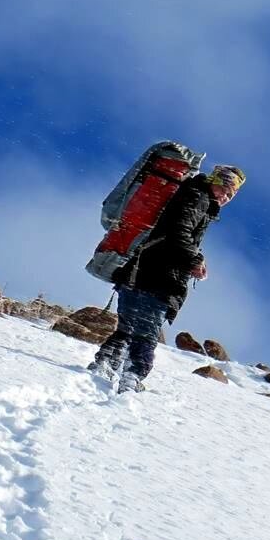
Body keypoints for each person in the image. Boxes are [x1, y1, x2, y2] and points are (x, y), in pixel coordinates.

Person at [88, 164, 246, 393]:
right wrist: (193, 260)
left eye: (231, 194)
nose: (225, 196)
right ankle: (132, 377)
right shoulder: (197, 197)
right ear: (215, 180)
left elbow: (175, 231)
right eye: (224, 188)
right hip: (159, 277)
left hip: (139, 269)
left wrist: (195, 257)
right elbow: (178, 231)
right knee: (148, 331)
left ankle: (104, 364)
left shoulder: (192, 194)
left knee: (128, 327)